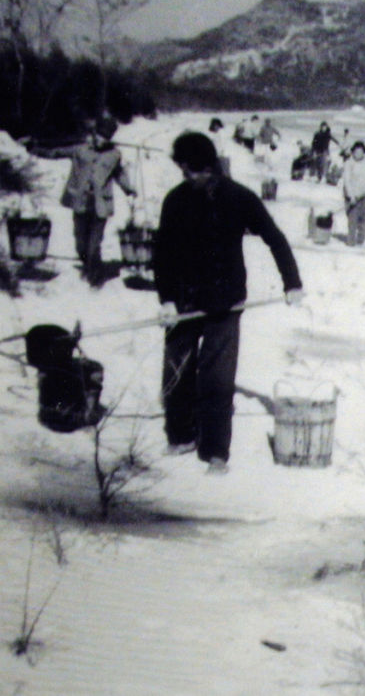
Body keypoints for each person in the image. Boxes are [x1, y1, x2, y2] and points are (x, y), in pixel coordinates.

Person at [154, 132, 304, 475]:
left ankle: (215, 452)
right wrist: (165, 300)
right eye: (182, 171)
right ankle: (180, 436)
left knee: (217, 377)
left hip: (225, 301)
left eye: (191, 172)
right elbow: (162, 254)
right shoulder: (175, 200)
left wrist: (292, 283)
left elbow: (274, 238)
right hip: (184, 300)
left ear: (209, 168)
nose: (186, 178)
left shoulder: (239, 197)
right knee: (176, 371)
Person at [28, 115, 136, 288]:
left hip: (101, 204)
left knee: (95, 243)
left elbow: (119, 173)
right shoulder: (80, 150)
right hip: (81, 202)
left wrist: (129, 188)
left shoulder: (114, 155)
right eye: (100, 136)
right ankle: (88, 265)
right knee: (80, 243)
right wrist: (34, 149)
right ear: (94, 134)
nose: (102, 140)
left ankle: (95, 277)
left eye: (106, 138)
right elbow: (56, 152)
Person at [341, 140, 365, 246]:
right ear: (352, 152)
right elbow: (347, 181)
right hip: (353, 196)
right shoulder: (349, 164)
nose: (359, 154)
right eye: (356, 152)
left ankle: (361, 239)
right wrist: (350, 196)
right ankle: (351, 241)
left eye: (361, 152)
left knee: (364, 217)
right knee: (353, 219)